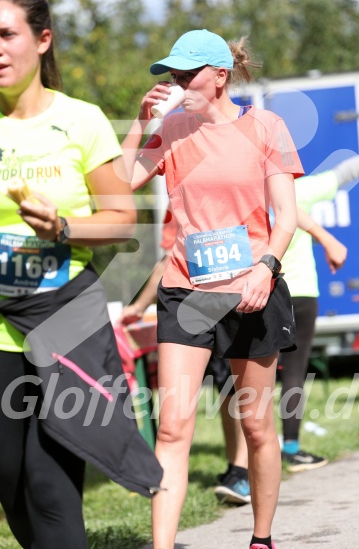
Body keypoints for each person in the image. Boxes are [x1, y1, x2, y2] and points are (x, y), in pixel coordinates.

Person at [121, 29, 305, 549]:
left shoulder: (265, 126)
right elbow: (120, 181)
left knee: (257, 428)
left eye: (187, 73)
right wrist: (140, 122)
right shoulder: (174, 129)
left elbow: (286, 216)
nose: (176, 83)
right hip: (185, 291)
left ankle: (261, 538)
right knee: (173, 429)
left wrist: (265, 267)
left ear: (220, 76)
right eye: (171, 74)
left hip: (252, 289)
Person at [0, 0, 162, 549]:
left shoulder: (83, 120)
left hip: (63, 315)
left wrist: (63, 228)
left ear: (42, 40)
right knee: (9, 478)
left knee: (50, 480)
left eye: (6, 34)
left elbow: (121, 218)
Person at [120, 210, 251, 505]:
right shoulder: (178, 203)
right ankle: (237, 467)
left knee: (235, 390)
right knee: (223, 387)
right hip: (196, 305)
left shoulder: (236, 184)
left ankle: (243, 470)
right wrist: (140, 306)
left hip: (239, 297)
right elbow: (167, 259)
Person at [279, 137, 359, 472]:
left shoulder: (248, 195)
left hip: (260, 290)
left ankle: (246, 456)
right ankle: (292, 448)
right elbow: (345, 173)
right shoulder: (303, 191)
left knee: (250, 376)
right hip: (300, 293)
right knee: (293, 373)